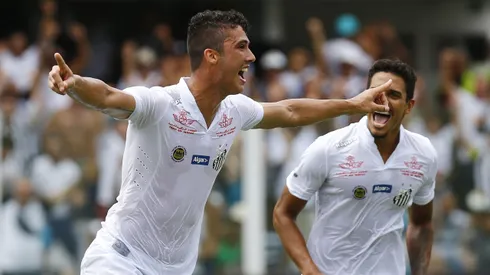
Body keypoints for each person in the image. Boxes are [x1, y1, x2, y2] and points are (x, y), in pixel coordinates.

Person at [48, 10, 392, 275]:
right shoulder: (161, 103)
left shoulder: (235, 111)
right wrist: (74, 83)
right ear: (212, 56)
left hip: (176, 268)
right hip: (119, 260)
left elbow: (289, 110)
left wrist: (353, 104)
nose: (251, 56)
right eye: (241, 47)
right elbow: (109, 95)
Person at [273, 59, 437, 275]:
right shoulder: (329, 147)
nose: (383, 102)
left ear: (409, 106)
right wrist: (309, 269)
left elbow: (422, 225)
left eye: (394, 95)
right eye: (376, 92)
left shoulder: (423, 153)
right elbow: (282, 214)